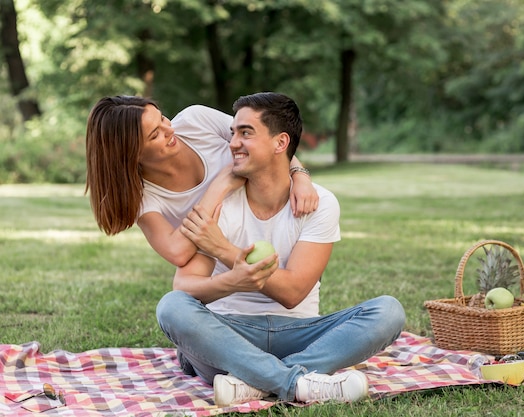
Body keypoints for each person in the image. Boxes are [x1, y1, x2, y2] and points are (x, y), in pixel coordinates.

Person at [156, 92, 405, 405]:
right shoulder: (220, 204)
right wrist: (233, 282)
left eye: (245, 133)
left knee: (388, 311)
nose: (232, 143)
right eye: (233, 133)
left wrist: (225, 251)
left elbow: (293, 293)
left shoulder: (319, 203)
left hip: (301, 332)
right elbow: (184, 286)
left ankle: (252, 383)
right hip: (230, 334)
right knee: (171, 307)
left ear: (280, 143)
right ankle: (298, 382)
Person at [85, 96, 318, 267]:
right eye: (155, 134)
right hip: (223, 264)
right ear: (132, 153)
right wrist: (219, 186)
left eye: (162, 118)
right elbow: (177, 253)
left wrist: (300, 175)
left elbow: (266, 141)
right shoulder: (144, 198)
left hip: (276, 230)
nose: (169, 129)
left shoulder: (196, 120)